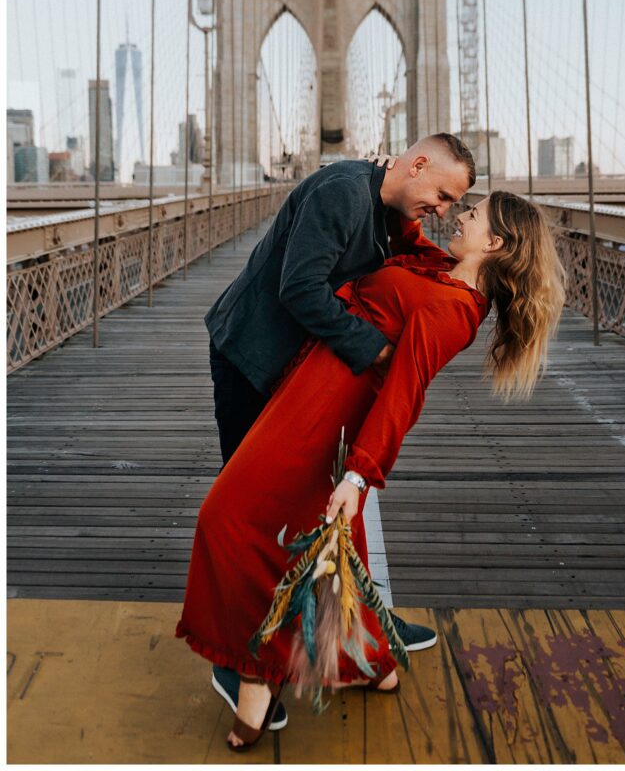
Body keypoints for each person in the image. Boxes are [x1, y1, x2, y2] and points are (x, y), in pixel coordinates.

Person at [177, 190, 566, 749]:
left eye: (472, 215)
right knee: (326, 545)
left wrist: (360, 476)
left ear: (497, 243)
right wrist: (390, 187)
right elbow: (403, 240)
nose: (459, 216)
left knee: (226, 517)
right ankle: (368, 662)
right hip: (308, 385)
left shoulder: (454, 309)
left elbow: (403, 394)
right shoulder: (443, 272)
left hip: (322, 409)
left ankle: (256, 674)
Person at [203, 132, 476, 689]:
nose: (445, 211)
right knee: (252, 509)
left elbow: (418, 258)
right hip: (252, 356)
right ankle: (235, 659)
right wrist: (376, 351)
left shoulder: (389, 203)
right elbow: (299, 289)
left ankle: (358, 628)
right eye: (443, 195)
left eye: (453, 204)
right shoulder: (343, 193)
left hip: (304, 369)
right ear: (418, 164)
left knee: (321, 504)